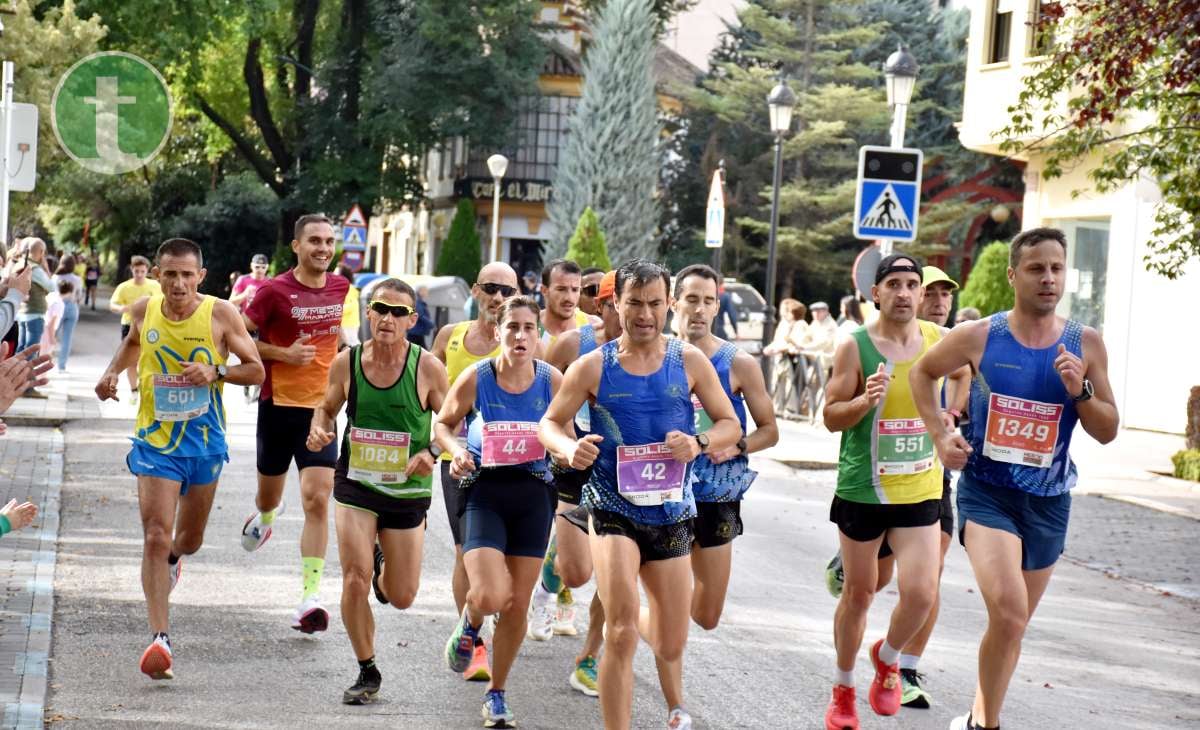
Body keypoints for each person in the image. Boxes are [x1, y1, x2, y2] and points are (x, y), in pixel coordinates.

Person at [909, 228, 1119, 730]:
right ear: (1012, 275)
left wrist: (1081, 389)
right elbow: (922, 373)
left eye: (1056, 269)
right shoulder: (981, 335)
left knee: (1014, 623)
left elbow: (1108, 429)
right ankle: (990, 727)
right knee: (1008, 611)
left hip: (1049, 500)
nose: (1048, 278)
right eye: (1036, 268)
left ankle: (979, 717)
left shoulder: (1084, 343)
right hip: (988, 493)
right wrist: (940, 435)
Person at [538, 260, 742, 730]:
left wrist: (700, 443)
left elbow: (728, 421)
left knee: (671, 643)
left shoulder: (688, 361)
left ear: (668, 305)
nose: (644, 313)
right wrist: (570, 448)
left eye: (654, 303)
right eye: (634, 302)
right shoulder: (593, 366)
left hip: (671, 511)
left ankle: (653, 637)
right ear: (615, 304)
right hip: (612, 507)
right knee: (622, 630)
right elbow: (549, 422)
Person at [94, 237, 264, 680]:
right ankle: (160, 639)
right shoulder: (145, 309)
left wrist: (217, 371)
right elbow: (133, 344)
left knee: (187, 540)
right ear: (156, 273)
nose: (179, 283)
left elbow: (256, 370)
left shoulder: (221, 313)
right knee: (154, 534)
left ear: (201, 277)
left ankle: (175, 560)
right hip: (155, 443)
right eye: (170, 273)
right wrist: (110, 373)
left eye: (188, 274)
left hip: (204, 444)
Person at [820, 253, 967, 730]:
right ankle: (843, 688)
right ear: (876, 293)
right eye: (894, 284)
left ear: (921, 295)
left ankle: (887, 657)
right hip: (863, 489)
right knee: (860, 594)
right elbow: (830, 417)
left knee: (922, 594)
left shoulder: (939, 341)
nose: (904, 293)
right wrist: (864, 400)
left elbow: (964, 373)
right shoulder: (855, 346)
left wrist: (952, 415)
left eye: (912, 285)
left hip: (921, 488)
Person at [305, 277, 449, 705]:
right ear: (368, 313)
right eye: (381, 309)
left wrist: (434, 450)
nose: (388, 319)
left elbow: (457, 420)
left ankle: (381, 564)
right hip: (357, 482)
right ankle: (367, 668)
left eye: (398, 312)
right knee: (353, 578)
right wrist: (319, 428)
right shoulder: (346, 363)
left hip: (408, 489)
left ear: (412, 320)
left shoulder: (426, 367)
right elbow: (327, 408)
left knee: (402, 596)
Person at [652, 265, 779, 727]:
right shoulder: (655, 358)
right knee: (675, 610)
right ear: (673, 302)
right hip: (662, 494)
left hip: (717, 494)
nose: (698, 308)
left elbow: (770, 430)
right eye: (690, 299)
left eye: (707, 300)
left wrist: (736, 443)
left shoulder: (739, 363)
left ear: (717, 305)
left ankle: (640, 621)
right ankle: (676, 706)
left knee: (705, 615)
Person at [436, 295, 561, 729]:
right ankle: (470, 622)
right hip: (484, 491)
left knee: (516, 606)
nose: (521, 336)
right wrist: (454, 451)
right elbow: (442, 423)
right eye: (513, 328)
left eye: (529, 328)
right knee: (490, 594)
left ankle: (498, 694)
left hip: (534, 495)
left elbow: (568, 431)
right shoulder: (477, 376)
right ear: (499, 331)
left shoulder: (552, 380)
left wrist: (565, 451)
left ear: (539, 332)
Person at [239, 214, 351, 634]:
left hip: (320, 410)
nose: (324, 248)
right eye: (315, 241)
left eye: (329, 241)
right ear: (297, 246)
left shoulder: (341, 288)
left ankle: (309, 598)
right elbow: (239, 337)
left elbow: (340, 336)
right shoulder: (272, 290)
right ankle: (266, 517)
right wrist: (282, 355)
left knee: (318, 499)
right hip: (277, 406)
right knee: (269, 495)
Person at [430, 261, 521, 682]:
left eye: (506, 290)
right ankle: (474, 640)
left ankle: (493, 610)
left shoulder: (526, 342)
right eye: (490, 288)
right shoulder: (451, 338)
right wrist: (427, 447)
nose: (497, 298)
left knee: (508, 556)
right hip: (461, 462)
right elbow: (424, 390)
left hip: (517, 465)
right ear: (475, 289)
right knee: (467, 551)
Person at [541, 269, 621, 696]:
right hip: (575, 463)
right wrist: (564, 436)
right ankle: (554, 562)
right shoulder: (575, 344)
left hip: (622, 475)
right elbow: (544, 393)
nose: (634, 314)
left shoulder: (660, 354)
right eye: (624, 303)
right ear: (604, 305)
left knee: (616, 573)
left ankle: (589, 656)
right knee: (574, 573)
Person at [110, 255, 163, 403]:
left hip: (151, 327)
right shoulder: (124, 287)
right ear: (132, 270)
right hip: (129, 326)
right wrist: (121, 308)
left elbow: (165, 303)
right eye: (136, 271)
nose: (139, 274)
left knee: (149, 360)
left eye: (142, 271)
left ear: (147, 271)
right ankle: (134, 391)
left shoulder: (155, 286)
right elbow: (112, 304)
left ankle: (148, 390)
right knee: (131, 361)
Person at [15, 238, 53, 396]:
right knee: (31, 351)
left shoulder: (18, 264)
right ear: (41, 252)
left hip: (22, 313)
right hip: (34, 313)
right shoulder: (35, 269)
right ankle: (27, 387)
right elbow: (51, 286)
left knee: (21, 350)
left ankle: (16, 383)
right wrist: (45, 267)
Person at [52, 256, 83, 372]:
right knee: (67, 337)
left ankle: (47, 360)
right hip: (72, 307)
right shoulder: (77, 279)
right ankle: (62, 365)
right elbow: (79, 296)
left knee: (51, 335)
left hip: (56, 307)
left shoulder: (54, 278)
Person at [339, 263, 361, 349]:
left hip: (349, 323)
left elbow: (351, 305)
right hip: (348, 323)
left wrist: (336, 310)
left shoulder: (349, 288)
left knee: (352, 346)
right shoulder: (347, 287)